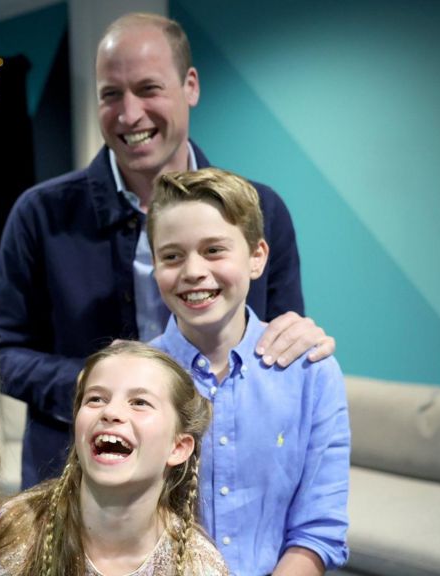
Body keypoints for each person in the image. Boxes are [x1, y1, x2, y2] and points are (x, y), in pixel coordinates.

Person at [0, 12, 336, 489]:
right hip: (75, 479)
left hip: (225, 480)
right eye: (111, 94)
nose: (129, 115)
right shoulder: (39, 214)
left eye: (148, 89)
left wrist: (301, 337)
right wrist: (97, 385)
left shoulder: (263, 210)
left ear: (190, 85)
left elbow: (280, 341)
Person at [148, 168, 349, 575]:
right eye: (171, 256)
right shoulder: (136, 378)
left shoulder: (312, 374)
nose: (192, 271)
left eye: (214, 250)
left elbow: (318, 530)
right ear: (154, 266)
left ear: (257, 257)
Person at [0, 341, 227, 576]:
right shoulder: (17, 532)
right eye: (96, 399)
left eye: (139, 402)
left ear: (178, 447)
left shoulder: (199, 565)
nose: (111, 412)